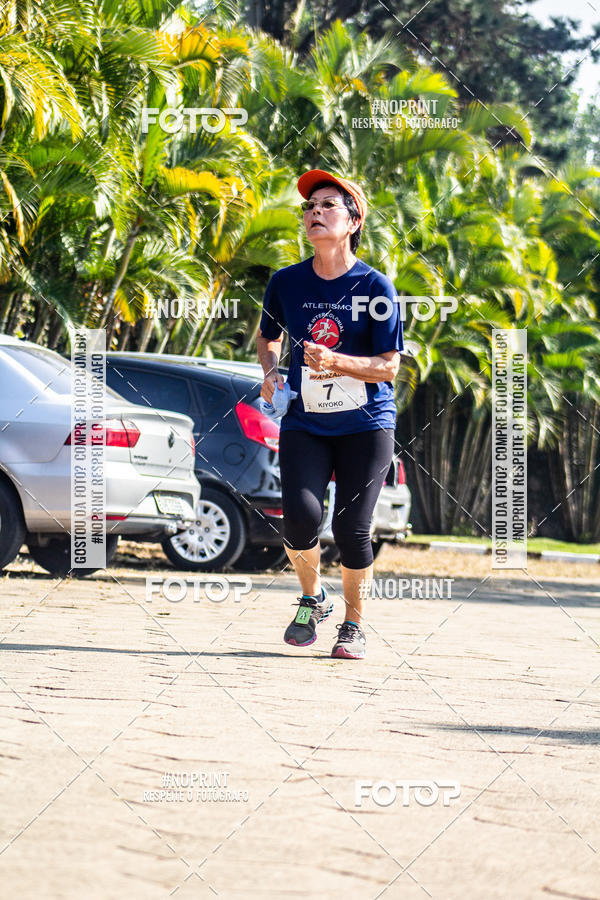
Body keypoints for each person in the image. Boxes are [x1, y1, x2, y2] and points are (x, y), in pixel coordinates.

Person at [257, 169, 403, 660]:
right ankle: (312, 598)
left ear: (353, 219)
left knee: (350, 528)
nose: (314, 213)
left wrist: (337, 362)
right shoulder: (287, 282)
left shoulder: (375, 285)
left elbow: (389, 366)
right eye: (309, 206)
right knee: (299, 514)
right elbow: (268, 336)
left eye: (327, 205)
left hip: (367, 424)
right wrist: (273, 371)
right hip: (307, 421)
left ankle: (354, 626)